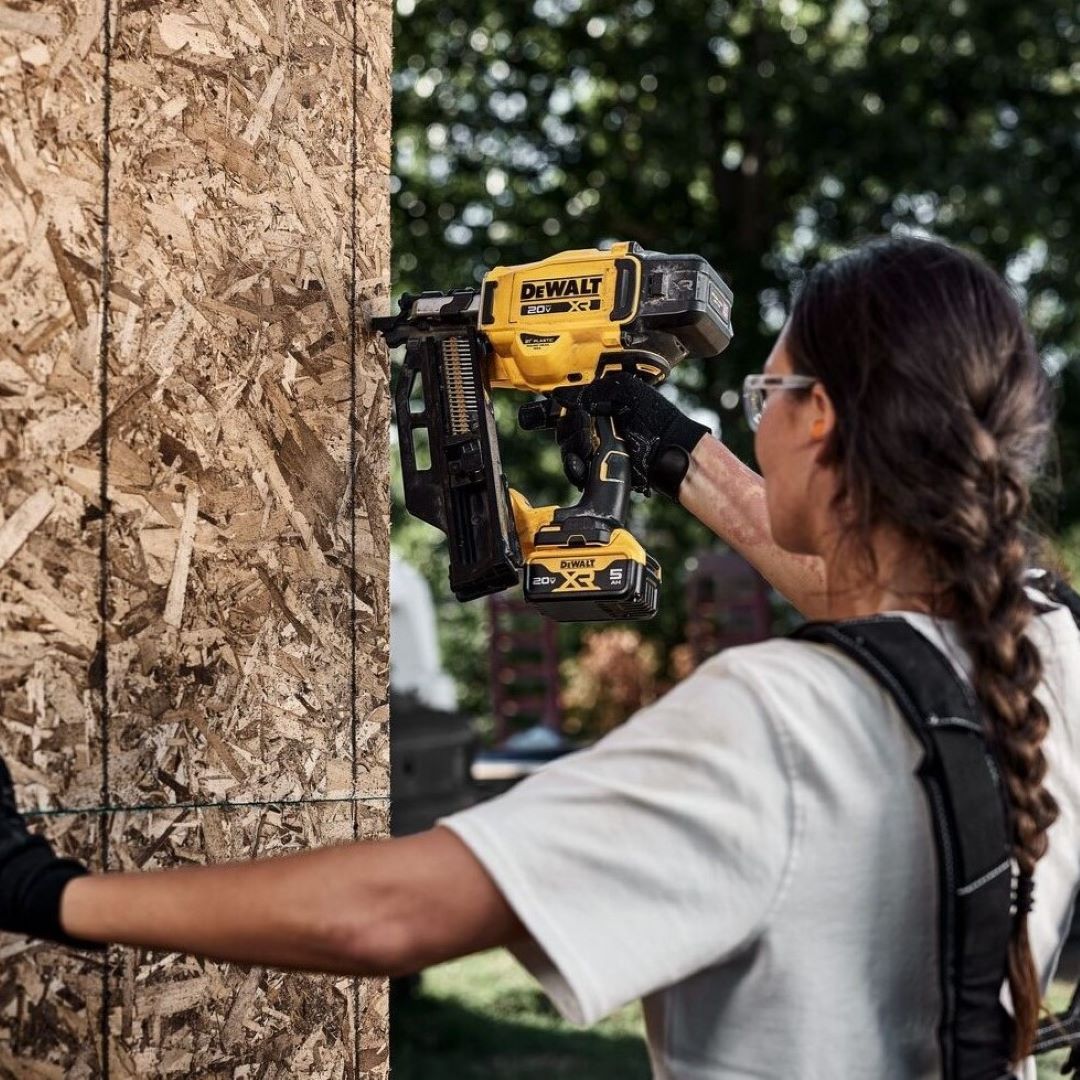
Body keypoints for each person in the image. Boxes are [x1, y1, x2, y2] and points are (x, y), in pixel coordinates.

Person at [1, 235, 1078, 1080]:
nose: (754, 425)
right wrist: (668, 445)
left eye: (764, 397)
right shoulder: (1044, 650)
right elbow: (866, 582)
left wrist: (50, 891)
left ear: (824, 416)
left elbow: (390, 912)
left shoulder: (779, 720)